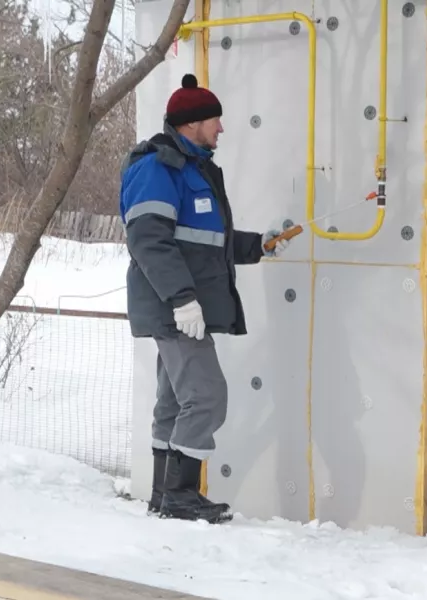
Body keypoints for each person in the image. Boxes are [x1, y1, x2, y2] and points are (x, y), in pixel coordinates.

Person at [118, 73, 290, 524]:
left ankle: (163, 493)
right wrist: (181, 299)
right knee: (207, 395)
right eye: (216, 119)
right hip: (173, 305)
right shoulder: (158, 168)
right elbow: (149, 241)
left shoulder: (195, 170)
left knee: (176, 400)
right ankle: (180, 496)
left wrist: (260, 245)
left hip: (180, 304)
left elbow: (207, 241)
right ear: (192, 123)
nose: (222, 128)